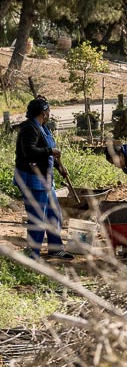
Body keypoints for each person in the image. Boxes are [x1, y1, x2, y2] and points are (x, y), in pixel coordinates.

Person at [14, 98, 74, 260]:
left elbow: (48, 154)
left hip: (46, 178)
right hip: (32, 179)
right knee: (38, 218)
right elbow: (30, 151)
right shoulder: (29, 129)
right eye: (48, 111)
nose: (49, 114)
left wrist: (58, 165)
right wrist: (50, 150)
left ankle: (55, 249)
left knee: (54, 215)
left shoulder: (43, 128)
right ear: (43, 112)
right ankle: (32, 254)